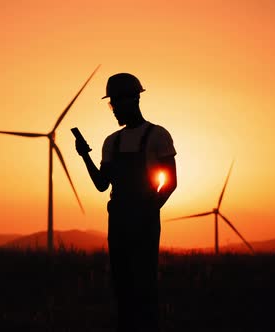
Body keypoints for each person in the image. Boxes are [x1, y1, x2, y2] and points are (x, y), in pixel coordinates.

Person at [75, 73, 177, 332]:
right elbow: (101, 184)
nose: (113, 110)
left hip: (144, 221)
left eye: (116, 103)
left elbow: (172, 182)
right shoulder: (112, 141)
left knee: (145, 285)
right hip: (118, 221)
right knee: (121, 285)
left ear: (134, 100)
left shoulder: (158, 135)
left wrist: (149, 209)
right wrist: (84, 155)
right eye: (111, 104)